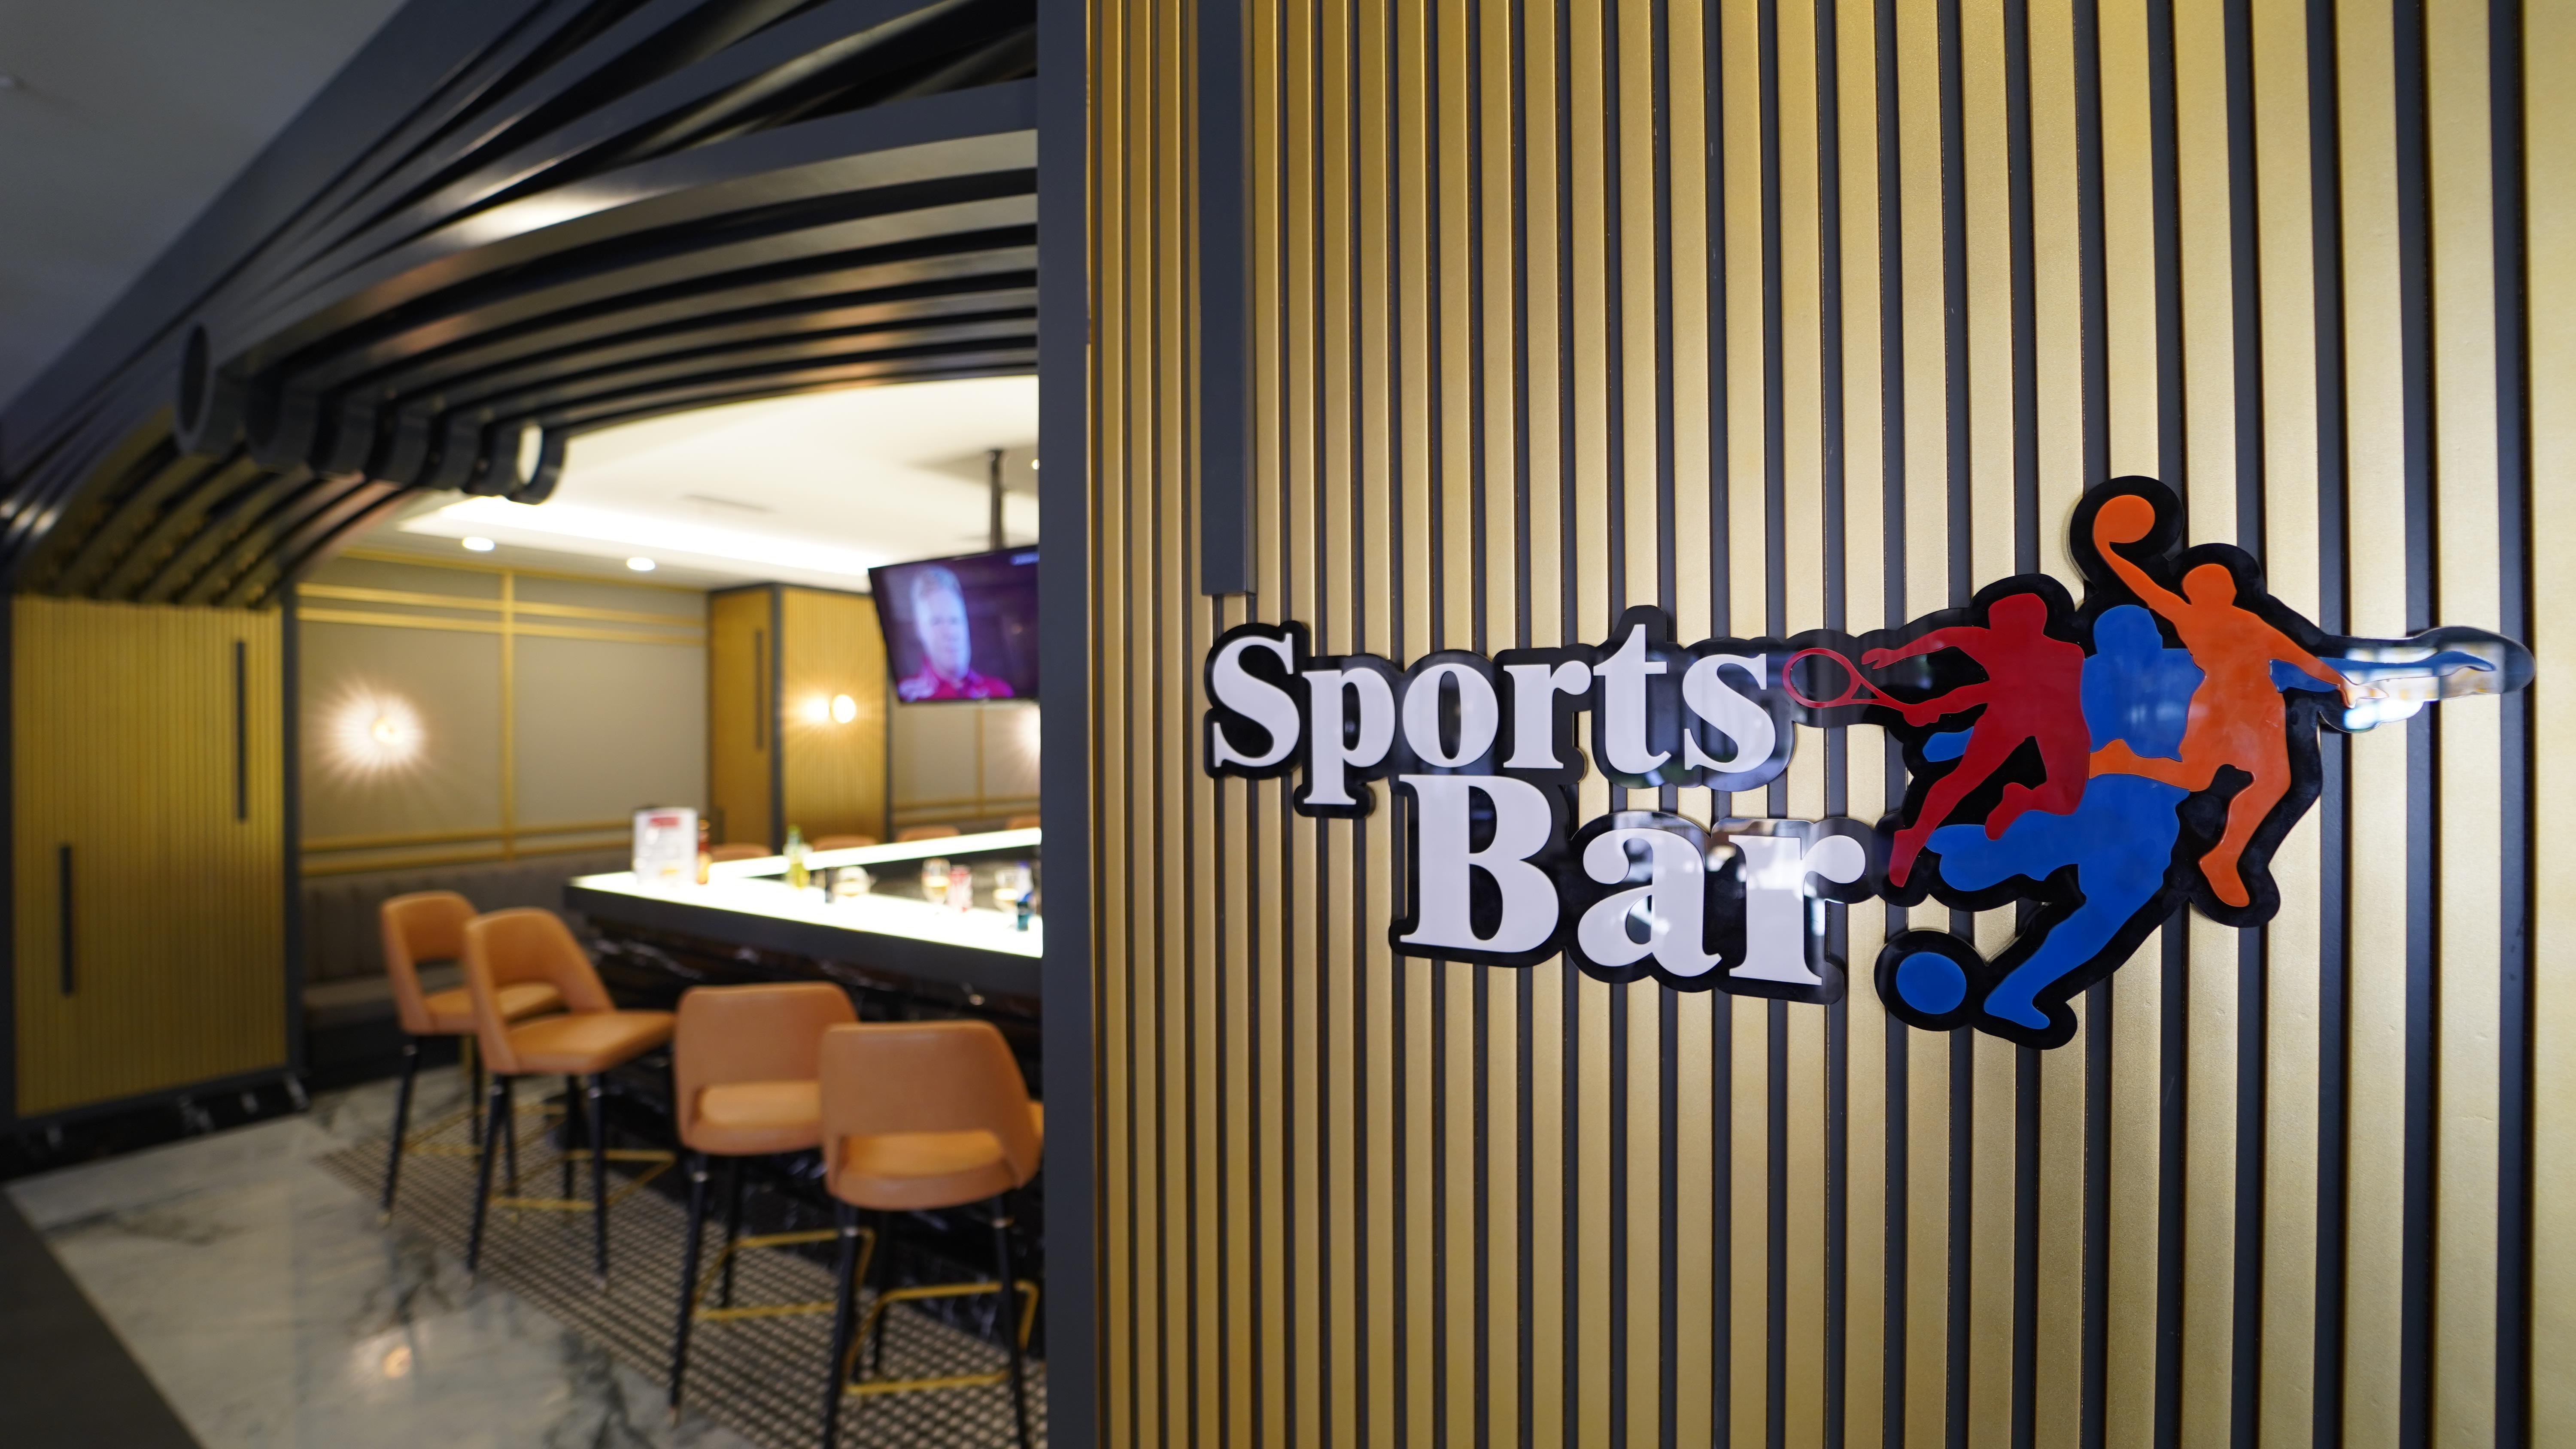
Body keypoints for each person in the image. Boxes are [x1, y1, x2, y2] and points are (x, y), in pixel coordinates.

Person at [2085, 494, 2345, 906]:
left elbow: (2299, 655)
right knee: (2197, 778)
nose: (2216, 589)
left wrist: (2339, 681)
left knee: (2274, 782)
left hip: (2260, 707)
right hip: (2218, 704)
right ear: (2195, 593)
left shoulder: (2250, 622)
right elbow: (2145, 588)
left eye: (2221, 583)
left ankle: (2223, 858)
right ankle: (2121, 761)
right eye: (2205, 584)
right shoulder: (2190, 617)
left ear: (2231, 590)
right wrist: (2107, 551)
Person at [1863, 591, 2091, 887]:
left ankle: (2022, 799)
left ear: (2034, 626)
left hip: (2058, 722)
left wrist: (1934, 707)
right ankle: (1914, 837)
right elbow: (1946, 637)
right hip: (2007, 718)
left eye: (2007, 630)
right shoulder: (1991, 642)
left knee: (2068, 802)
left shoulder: (2068, 655)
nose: (1998, 636)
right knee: (1962, 779)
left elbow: (1998, 691)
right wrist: (1897, 654)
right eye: (1997, 628)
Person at [894, 564, 1015, 700]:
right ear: (919, 629)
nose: (950, 633)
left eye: (955, 620)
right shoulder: (906, 695)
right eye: (937, 622)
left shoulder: (999, 691)